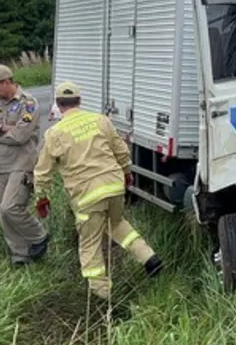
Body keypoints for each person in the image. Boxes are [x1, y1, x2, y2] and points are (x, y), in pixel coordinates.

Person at [32, 81, 162, 312]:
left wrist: (41, 198)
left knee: (90, 243)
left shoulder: (54, 134)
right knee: (117, 223)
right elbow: (121, 150)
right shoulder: (101, 120)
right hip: (113, 185)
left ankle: (104, 298)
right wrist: (126, 173)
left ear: (59, 105)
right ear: (80, 101)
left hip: (86, 194)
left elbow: (42, 172)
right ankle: (149, 258)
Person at [0, 64, 50, 266]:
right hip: (1, 164)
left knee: (11, 207)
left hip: (22, 164)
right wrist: (1, 128)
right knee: (3, 214)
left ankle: (38, 235)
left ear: (6, 82)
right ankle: (20, 256)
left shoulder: (28, 103)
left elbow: (20, 135)